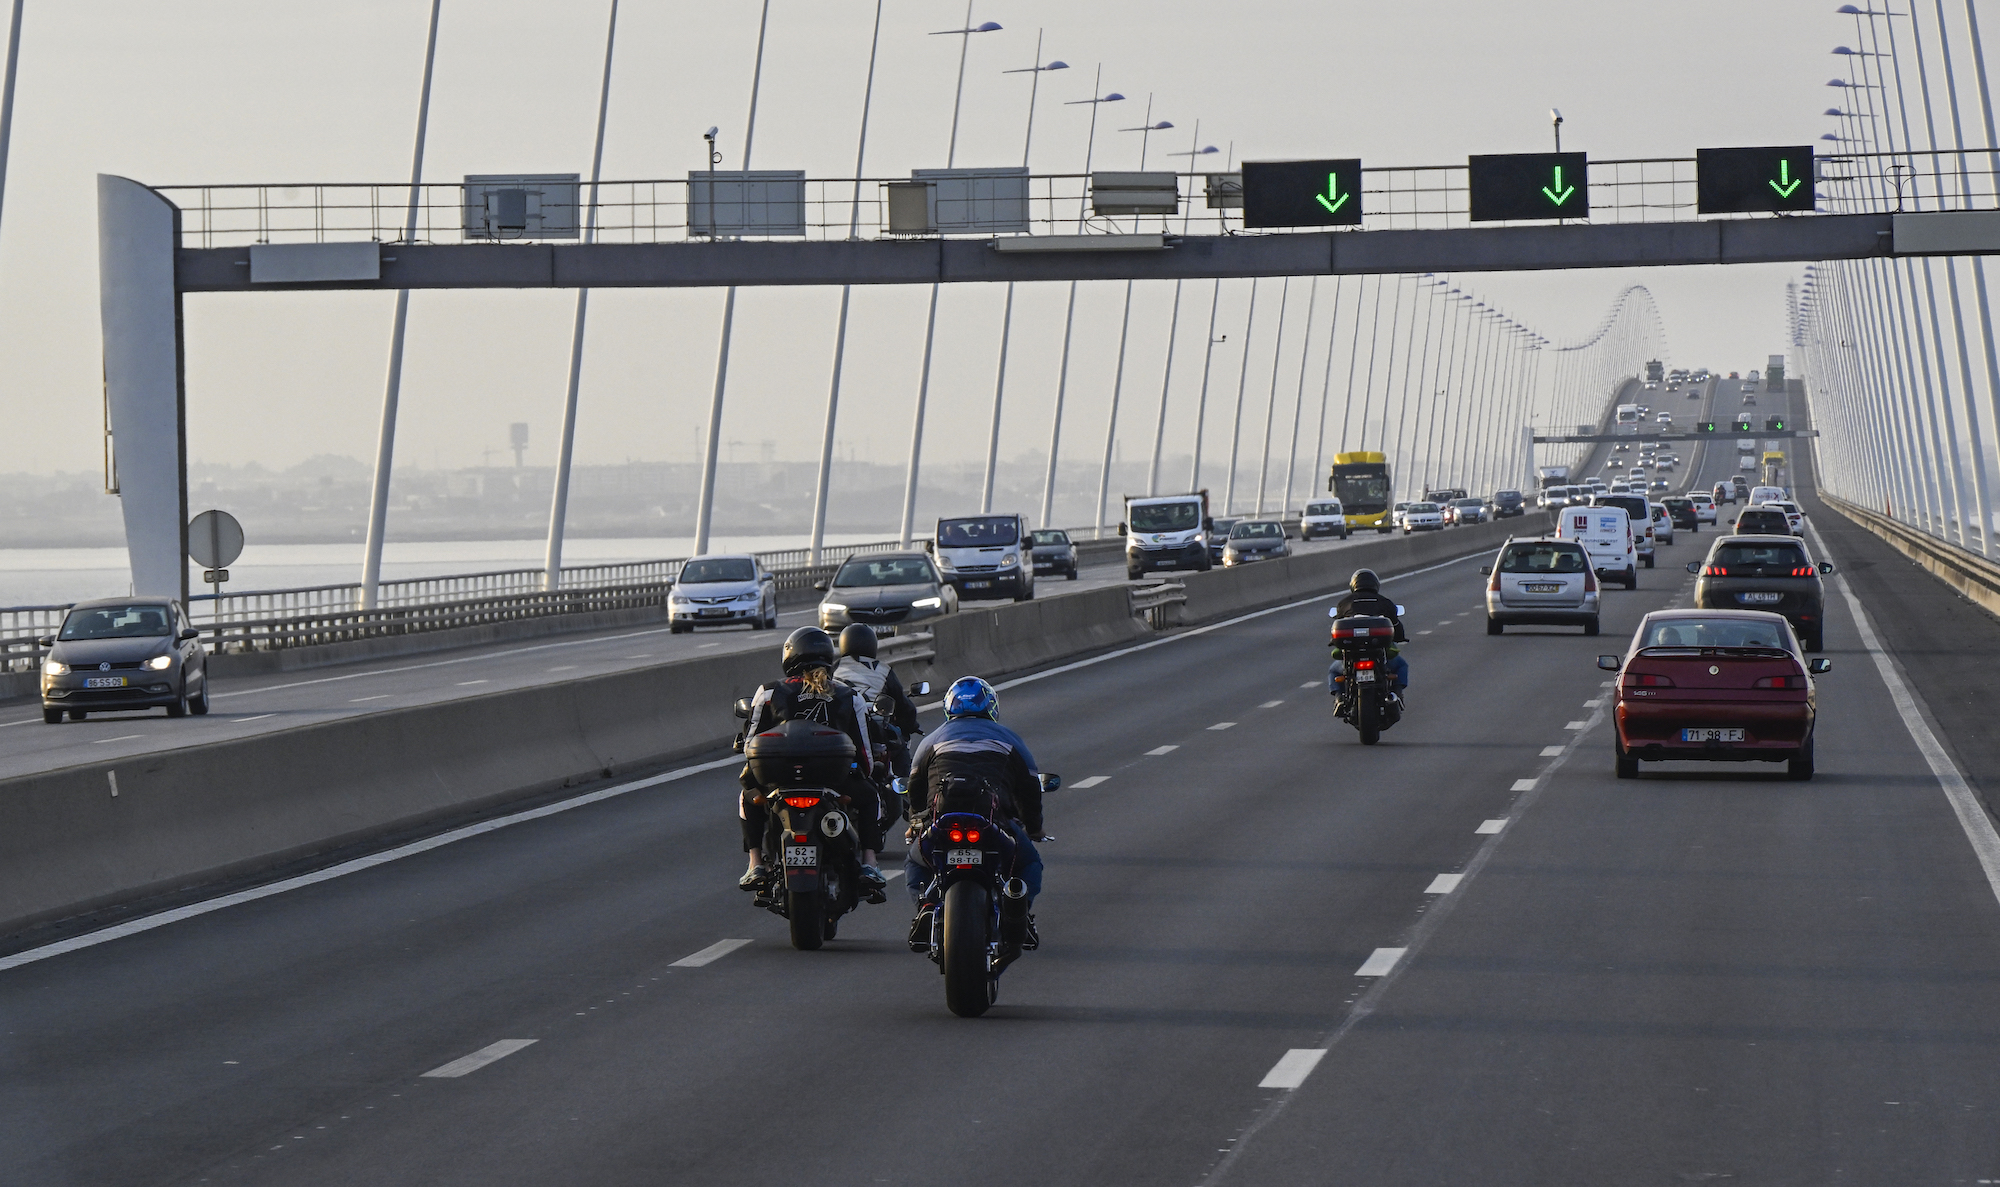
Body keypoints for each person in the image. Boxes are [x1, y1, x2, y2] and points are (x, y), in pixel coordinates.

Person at [737, 627, 888, 898]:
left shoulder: (769, 692)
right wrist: (865, 773)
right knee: (871, 797)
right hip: (834, 780)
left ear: (789, 657)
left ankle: (755, 863)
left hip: (779, 779)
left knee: (748, 797)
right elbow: (864, 749)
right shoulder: (848, 695)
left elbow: (750, 744)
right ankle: (869, 862)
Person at [903, 676, 1045, 956]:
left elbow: (915, 786)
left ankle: (926, 907)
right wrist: (1034, 827)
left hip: (942, 823)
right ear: (990, 707)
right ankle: (1019, 911)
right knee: (1030, 862)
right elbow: (1030, 788)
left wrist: (915, 821)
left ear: (949, 707)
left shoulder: (933, 739)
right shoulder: (1009, 739)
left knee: (915, 863)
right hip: (993, 822)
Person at [1329, 568, 1410, 696]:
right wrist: (1401, 637)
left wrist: (1333, 641)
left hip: (1352, 656)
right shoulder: (1385, 603)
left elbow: (1338, 626)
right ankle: (1397, 693)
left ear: (1353, 585)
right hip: (1378, 655)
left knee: (1334, 671)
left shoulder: (1344, 603)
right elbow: (1396, 626)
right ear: (1375, 585)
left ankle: (1339, 697)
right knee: (1401, 666)